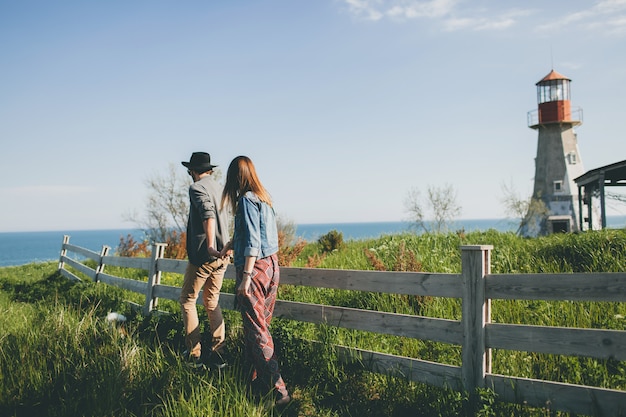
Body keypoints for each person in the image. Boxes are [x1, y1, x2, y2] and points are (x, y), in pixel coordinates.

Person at [220, 155, 291, 406]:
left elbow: (253, 242)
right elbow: (257, 235)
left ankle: (279, 392)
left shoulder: (246, 200)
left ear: (235, 178)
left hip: (256, 269)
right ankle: (256, 384)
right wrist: (232, 243)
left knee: (257, 330)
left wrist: (246, 278)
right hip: (272, 266)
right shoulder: (264, 199)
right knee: (260, 328)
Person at [179, 151, 230, 369]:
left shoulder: (196, 188)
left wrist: (209, 246)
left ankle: (195, 355)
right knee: (211, 302)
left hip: (204, 256)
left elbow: (208, 215)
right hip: (223, 255)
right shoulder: (220, 188)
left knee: (187, 301)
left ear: (192, 170)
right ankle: (219, 355)